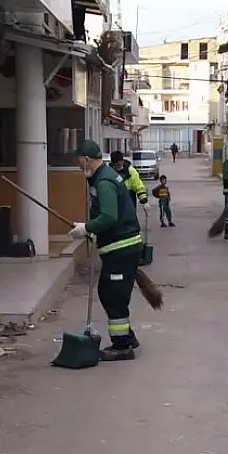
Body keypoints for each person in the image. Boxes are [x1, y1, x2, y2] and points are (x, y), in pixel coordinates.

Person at [70, 140, 143, 361]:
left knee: (114, 296)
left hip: (122, 247)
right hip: (118, 247)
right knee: (108, 291)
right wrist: (94, 230)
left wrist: (87, 228)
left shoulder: (104, 182)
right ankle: (128, 336)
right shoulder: (103, 177)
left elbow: (109, 216)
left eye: (79, 162)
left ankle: (122, 346)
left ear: (86, 159)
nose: (78, 166)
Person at [110, 150, 151, 216]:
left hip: (129, 203)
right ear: (112, 163)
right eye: (116, 165)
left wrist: (144, 202)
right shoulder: (109, 172)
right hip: (114, 204)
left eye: (119, 164)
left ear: (122, 161)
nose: (118, 167)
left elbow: (138, 187)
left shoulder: (131, 171)